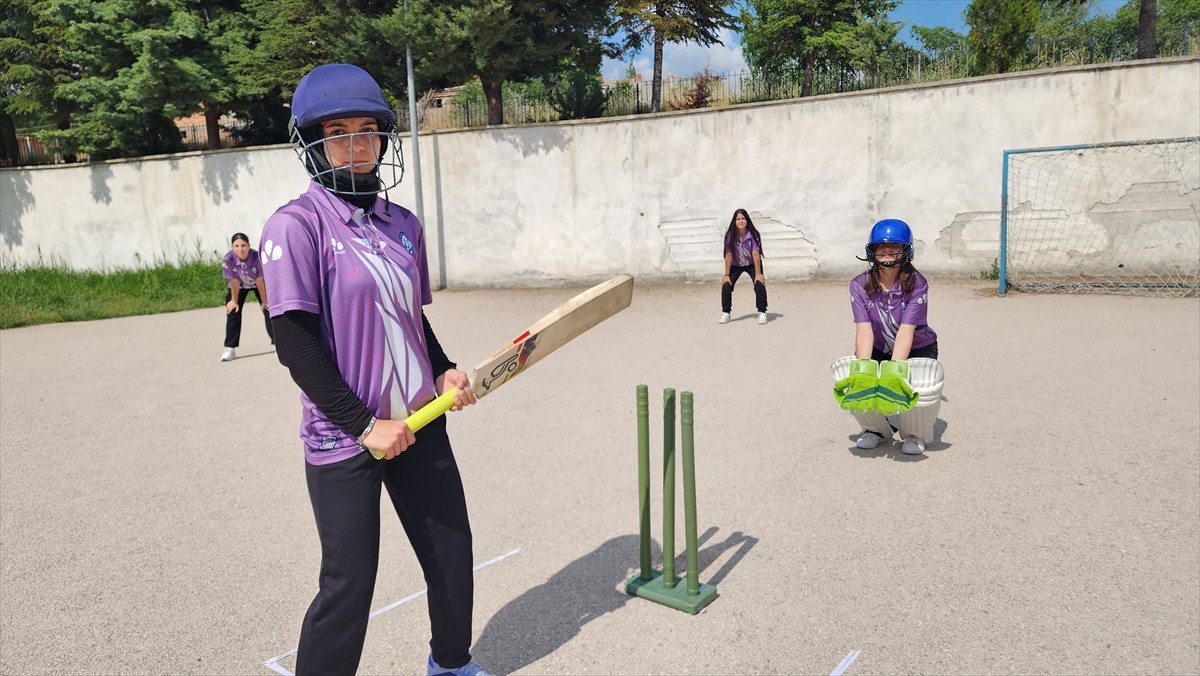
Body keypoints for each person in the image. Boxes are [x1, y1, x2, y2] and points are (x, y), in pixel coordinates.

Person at [258, 63, 490, 676]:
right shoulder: (296, 225)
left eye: (368, 130)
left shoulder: (402, 224)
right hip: (344, 435)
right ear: (312, 142)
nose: (357, 145)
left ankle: (451, 663)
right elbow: (294, 345)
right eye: (339, 131)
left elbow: (411, 319)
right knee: (349, 583)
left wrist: (441, 370)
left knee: (450, 552)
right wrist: (365, 425)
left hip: (419, 420)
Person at [832, 219, 944, 455]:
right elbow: (864, 329)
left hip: (917, 346)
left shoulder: (918, 285)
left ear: (907, 250)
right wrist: (864, 370)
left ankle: (914, 432)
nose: (887, 251)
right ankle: (875, 428)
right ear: (871, 250)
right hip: (879, 345)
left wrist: (895, 371)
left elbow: (906, 332)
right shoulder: (859, 285)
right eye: (881, 246)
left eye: (895, 245)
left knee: (917, 384)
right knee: (858, 376)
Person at [220, 232, 273, 361]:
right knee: (233, 311)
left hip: (258, 283)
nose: (240, 249)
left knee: (269, 310)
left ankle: (278, 344)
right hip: (239, 285)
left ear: (249, 246)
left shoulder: (257, 257)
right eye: (236, 246)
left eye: (243, 245)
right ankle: (230, 348)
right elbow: (234, 281)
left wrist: (264, 301)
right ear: (232, 247)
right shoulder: (228, 259)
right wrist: (233, 300)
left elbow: (260, 279)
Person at [719, 208, 769, 325]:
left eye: (743, 218)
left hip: (752, 264)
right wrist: (726, 275)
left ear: (747, 220)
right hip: (735, 265)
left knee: (759, 284)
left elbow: (756, 253)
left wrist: (758, 273)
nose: (741, 221)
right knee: (726, 285)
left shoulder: (754, 234)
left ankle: (762, 312)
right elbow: (728, 255)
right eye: (738, 219)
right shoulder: (730, 235)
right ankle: (726, 313)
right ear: (734, 221)